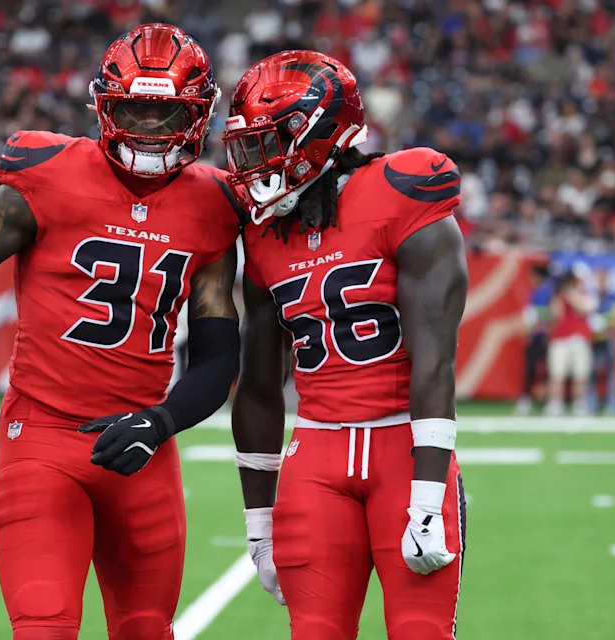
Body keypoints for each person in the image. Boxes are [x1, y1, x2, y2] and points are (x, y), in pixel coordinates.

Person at [0, 24, 243, 640]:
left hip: (141, 445)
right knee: (42, 628)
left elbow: (215, 359)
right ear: (105, 106)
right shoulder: (48, 176)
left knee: (148, 630)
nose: (149, 128)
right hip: (42, 438)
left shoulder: (213, 206)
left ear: (197, 113)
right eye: (135, 110)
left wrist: (162, 421)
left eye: (166, 112)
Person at [226, 51, 468, 640]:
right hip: (316, 458)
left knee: (420, 631)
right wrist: (258, 525)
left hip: (404, 450)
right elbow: (258, 388)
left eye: (270, 142)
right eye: (248, 145)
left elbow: (435, 362)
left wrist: (429, 495)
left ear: (319, 133)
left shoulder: (402, 190)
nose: (256, 161)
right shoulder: (262, 234)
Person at [545, 269, 596, 417]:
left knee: (580, 375)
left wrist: (572, 294)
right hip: (561, 338)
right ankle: (555, 404)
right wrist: (559, 296)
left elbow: (585, 308)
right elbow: (556, 315)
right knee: (557, 374)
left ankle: (579, 405)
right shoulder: (558, 295)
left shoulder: (584, 294)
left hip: (580, 339)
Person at [514, 263, 553, 415]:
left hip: (544, 337)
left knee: (548, 370)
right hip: (534, 336)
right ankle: (526, 399)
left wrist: (543, 330)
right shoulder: (532, 292)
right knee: (530, 369)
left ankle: (548, 399)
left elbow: (550, 314)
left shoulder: (548, 292)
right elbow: (529, 315)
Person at [587, 268, 615, 415]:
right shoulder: (591, 297)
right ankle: (591, 403)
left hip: (610, 338)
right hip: (593, 340)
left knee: (612, 373)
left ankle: (613, 404)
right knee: (591, 372)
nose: (600, 283)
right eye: (598, 279)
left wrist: (607, 327)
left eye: (603, 279)